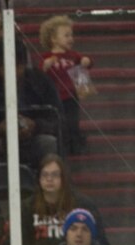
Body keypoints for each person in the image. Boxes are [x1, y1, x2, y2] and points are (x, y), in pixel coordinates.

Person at [38, 15, 94, 152]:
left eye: (71, 35)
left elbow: (87, 62)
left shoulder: (74, 55)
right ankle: (61, 145)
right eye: (66, 35)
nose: (71, 38)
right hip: (55, 98)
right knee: (59, 123)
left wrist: (87, 61)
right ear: (53, 39)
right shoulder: (46, 57)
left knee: (72, 121)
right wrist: (45, 66)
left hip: (71, 96)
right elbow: (40, 72)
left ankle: (75, 144)